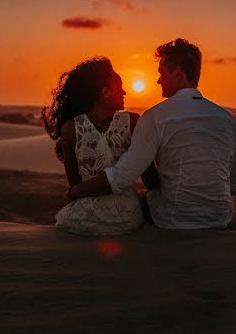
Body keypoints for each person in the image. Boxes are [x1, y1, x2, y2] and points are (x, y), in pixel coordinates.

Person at [68, 38, 236, 229]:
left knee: (136, 204)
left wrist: (75, 192)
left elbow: (122, 176)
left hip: (174, 219)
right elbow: (233, 185)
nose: (158, 80)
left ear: (177, 73)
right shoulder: (228, 120)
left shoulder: (155, 117)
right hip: (220, 217)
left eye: (161, 73)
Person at [43, 57, 159, 235]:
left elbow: (75, 187)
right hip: (126, 220)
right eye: (119, 87)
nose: (125, 92)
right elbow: (150, 180)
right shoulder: (133, 122)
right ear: (105, 92)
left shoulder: (70, 129)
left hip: (82, 221)